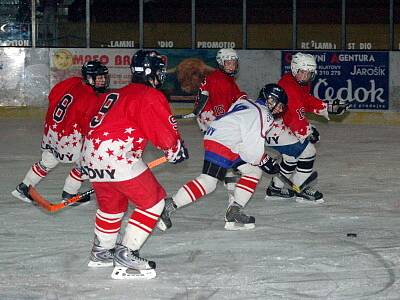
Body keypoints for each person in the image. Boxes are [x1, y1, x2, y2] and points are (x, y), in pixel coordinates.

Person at [82, 50, 188, 280]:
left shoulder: (113, 94)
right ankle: (126, 252)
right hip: (118, 156)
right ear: (151, 72)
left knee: (112, 207)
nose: (162, 75)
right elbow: (164, 133)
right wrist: (175, 150)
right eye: (159, 70)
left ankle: (101, 251)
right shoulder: (149, 95)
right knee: (154, 201)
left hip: (91, 156)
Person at [157, 86, 288, 232]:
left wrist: (261, 160)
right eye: (279, 105)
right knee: (208, 182)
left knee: (253, 171)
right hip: (224, 142)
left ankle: (234, 211)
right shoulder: (265, 115)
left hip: (223, 138)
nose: (279, 110)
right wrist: (264, 160)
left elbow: (244, 137)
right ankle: (168, 206)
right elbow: (253, 150)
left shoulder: (247, 102)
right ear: (270, 100)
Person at [12, 60, 109, 206]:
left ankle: (24, 187)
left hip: (53, 128)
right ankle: (70, 194)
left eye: (103, 77)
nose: (102, 80)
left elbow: (53, 95)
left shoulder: (73, 82)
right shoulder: (90, 98)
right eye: (99, 77)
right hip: (69, 134)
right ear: (89, 78)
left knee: (48, 160)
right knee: (85, 163)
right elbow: (86, 125)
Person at [265, 52, 349, 203]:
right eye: (302, 72)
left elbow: (306, 101)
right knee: (308, 151)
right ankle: (301, 188)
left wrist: (327, 107)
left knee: (291, 157)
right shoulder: (289, 86)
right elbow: (296, 116)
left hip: (277, 124)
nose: (305, 76)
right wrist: (307, 131)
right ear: (294, 69)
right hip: (274, 127)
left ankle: (275, 189)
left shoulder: (297, 81)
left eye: (309, 73)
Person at [176, 48, 242, 199]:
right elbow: (221, 109)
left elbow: (232, 97)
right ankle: (226, 173)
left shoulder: (222, 77)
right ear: (220, 63)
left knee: (228, 146)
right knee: (229, 144)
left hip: (207, 115)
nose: (231, 66)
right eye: (228, 63)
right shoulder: (219, 80)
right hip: (211, 116)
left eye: (233, 62)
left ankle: (229, 175)